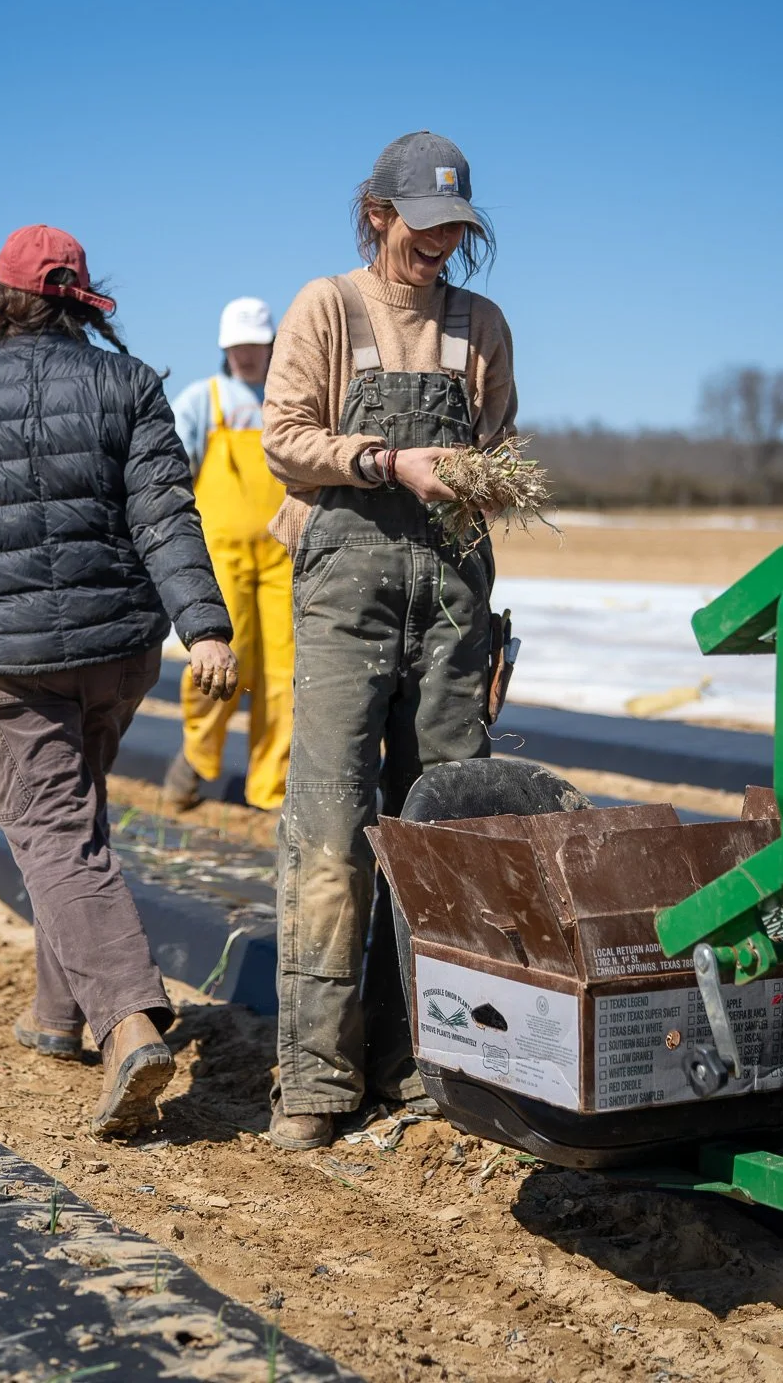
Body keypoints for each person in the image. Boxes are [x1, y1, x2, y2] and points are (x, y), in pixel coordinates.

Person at [0, 223, 237, 1139]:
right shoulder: (129, 384)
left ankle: (127, 1027)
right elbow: (165, 515)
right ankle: (56, 1015)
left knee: (53, 837)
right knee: (73, 828)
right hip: (113, 651)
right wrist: (202, 624)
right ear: (79, 300)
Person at [262, 130, 517, 1150]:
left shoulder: (481, 324)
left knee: (439, 831)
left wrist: (487, 476)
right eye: (424, 226)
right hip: (348, 589)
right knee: (331, 833)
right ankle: (317, 1076)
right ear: (377, 213)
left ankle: (423, 1059)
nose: (440, 245)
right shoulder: (327, 307)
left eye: (455, 229)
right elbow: (284, 437)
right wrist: (384, 460)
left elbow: (500, 445)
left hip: (453, 593)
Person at [162, 298, 293, 814]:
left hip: (284, 557)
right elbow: (170, 477)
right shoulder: (202, 400)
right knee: (216, 662)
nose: (247, 355)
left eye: (255, 345)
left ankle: (272, 790)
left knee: (285, 675)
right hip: (220, 558)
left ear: (271, 346)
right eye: (238, 346)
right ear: (225, 349)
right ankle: (194, 760)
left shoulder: (289, 401)